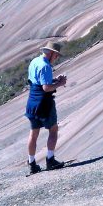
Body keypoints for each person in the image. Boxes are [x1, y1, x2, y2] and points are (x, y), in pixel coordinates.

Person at [25, 41, 67, 174]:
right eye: (57, 55)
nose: (57, 58)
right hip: (44, 103)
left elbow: (37, 82)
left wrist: (54, 80)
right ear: (52, 53)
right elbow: (46, 88)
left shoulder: (34, 61)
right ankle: (50, 160)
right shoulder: (45, 66)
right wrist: (60, 83)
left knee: (33, 133)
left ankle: (32, 164)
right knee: (53, 130)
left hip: (32, 102)